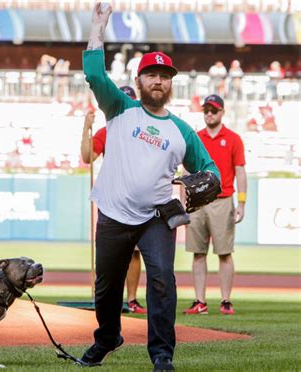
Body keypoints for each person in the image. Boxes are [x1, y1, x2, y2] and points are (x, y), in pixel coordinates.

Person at [79, 4, 220, 371]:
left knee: (161, 283)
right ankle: (108, 337)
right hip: (113, 214)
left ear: (171, 84)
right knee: (106, 290)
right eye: (151, 75)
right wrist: (99, 26)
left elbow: (209, 170)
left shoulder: (182, 131)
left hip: (157, 217)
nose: (158, 80)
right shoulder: (120, 108)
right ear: (139, 82)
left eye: (164, 76)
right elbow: (94, 73)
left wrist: (204, 184)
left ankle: (161, 355)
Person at [80, 85, 147, 315]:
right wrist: (86, 128)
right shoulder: (106, 131)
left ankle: (132, 298)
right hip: (112, 197)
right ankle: (108, 299)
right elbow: (88, 157)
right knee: (109, 253)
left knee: (135, 252)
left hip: (138, 198)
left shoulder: (145, 130)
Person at [183, 94, 247, 316]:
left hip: (222, 200)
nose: (209, 113)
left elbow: (240, 170)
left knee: (224, 253)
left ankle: (225, 300)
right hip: (199, 201)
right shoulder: (196, 137)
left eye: (213, 110)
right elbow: (187, 170)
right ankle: (200, 301)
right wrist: (185, 200)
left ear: (222, 112)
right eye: (206, 110)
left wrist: (242, 202)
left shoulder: (233, 138)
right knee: (198, 253)